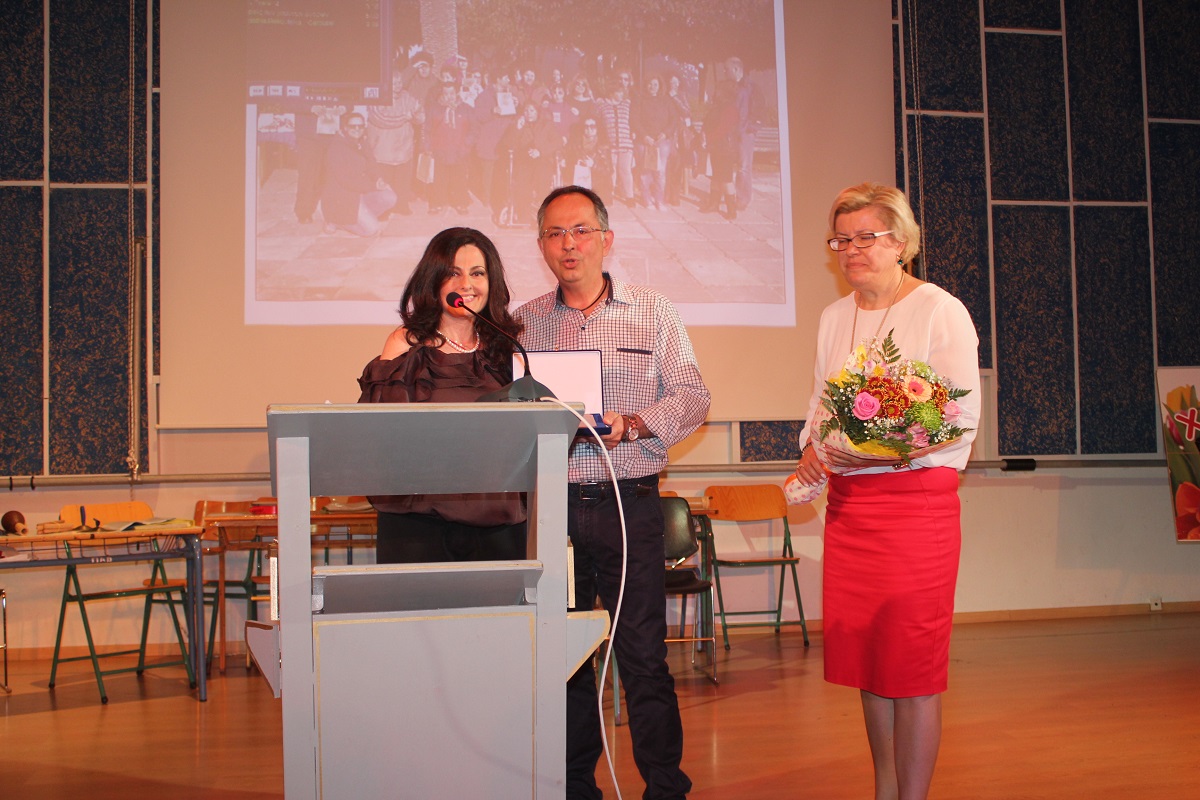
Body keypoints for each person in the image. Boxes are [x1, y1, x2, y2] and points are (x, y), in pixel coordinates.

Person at [516, 185, 710, 800]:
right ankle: (575, 787)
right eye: (554, 233)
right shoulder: (523, 322)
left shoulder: (653, 311)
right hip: (554, 509)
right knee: (567, 658)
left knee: (643, 655)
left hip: (629, 500)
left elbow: (694, 397)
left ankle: (664, 787)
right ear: (541, 245)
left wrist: (635, 423)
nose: (568, 244)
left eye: (580, 230)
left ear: (606, 238)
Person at [792, 182, 981, 800]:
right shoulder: (833, 317)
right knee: (871, 667)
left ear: (901, 243)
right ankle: (884, 790)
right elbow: (820, 404)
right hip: (852, 511)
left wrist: (878, 448)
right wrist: (814, 448)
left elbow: (959, 419)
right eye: (841, 240)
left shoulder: (938, 309)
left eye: (865, 237)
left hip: (915, 508)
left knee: (913, 670)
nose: (851, 250)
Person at [357, 227, 527, 563]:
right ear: (433, 280)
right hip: (418, 523)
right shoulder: (405, 343)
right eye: (453, 273)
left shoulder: (507, 350)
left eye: (477, 273)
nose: (467, 284)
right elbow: (381, 433)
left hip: (496, 522)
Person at [321, 112, 397, 236]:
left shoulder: (361, 142)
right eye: (353, 126)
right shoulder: (336, 148)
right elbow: (346, 181)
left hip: (359, 191)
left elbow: (372, 164)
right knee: (371, 230)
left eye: (360, 126)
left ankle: (361, 216)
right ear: (345, 128)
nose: (357, 129)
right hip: (343, 195)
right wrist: (373, 186)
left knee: (390, 197)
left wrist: (379, 179)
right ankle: (336, 221)